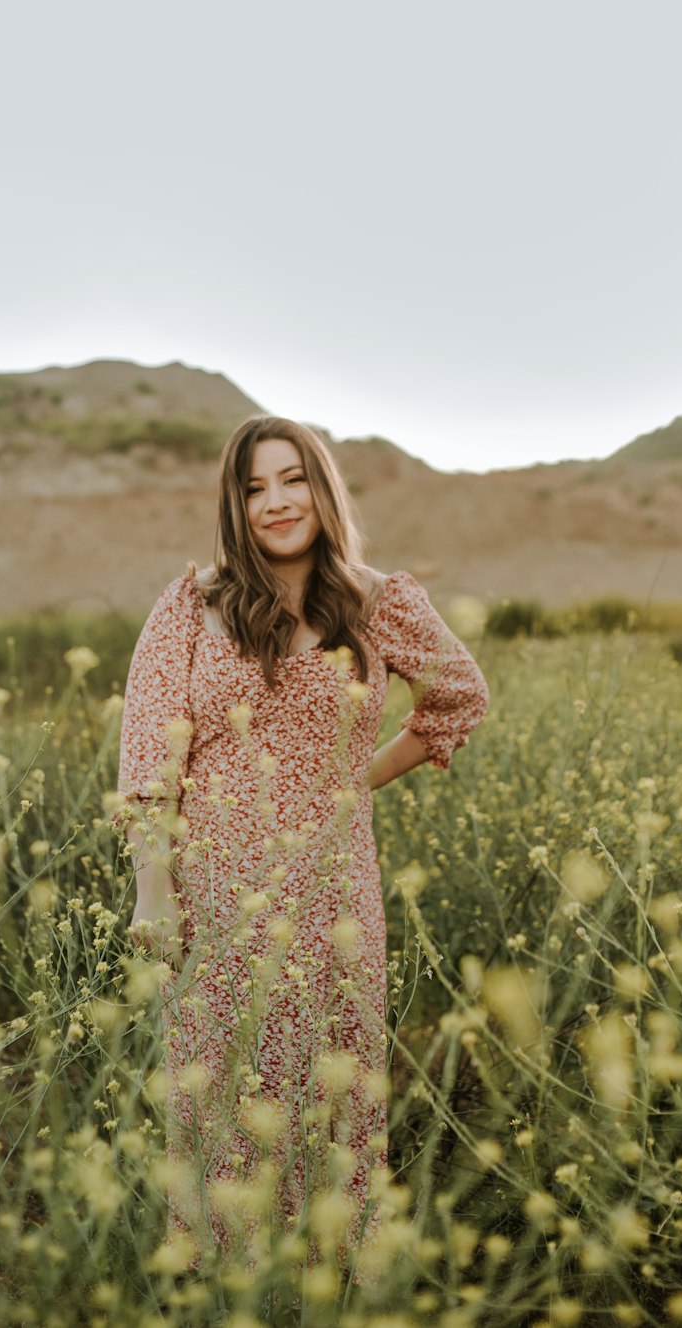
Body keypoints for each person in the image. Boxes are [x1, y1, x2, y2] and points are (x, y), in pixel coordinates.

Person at [112, 414, 490, 1275]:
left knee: (334, 1097)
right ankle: (228, 1283)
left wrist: (353, 786)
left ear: (322, 487)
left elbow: (459, 699)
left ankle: (332, 1284)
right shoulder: (190, 608)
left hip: (332, 900)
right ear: (233, 507)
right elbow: (147, 763)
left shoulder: (379, 600)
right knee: (222, 1094)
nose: (276, 503)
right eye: (253, 489)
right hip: (214, 894)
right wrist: (153, 892)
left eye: (291, 480)